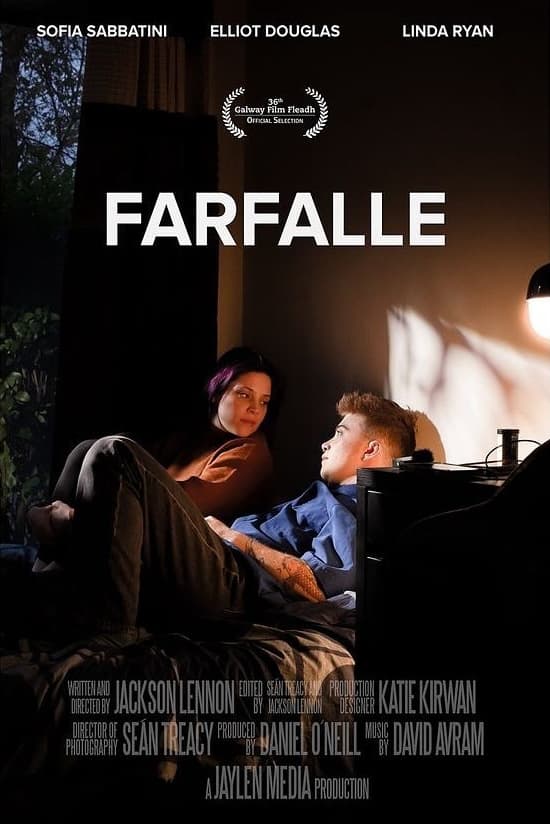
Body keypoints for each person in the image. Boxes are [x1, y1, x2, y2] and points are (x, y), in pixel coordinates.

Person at [27, 392, 416, 636]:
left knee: (115, 452)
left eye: (340, 433)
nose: (325, 443)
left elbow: (313, 589)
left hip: (234, 583)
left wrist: (232, 537)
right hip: (220, 557)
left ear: (370, 450)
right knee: (85, 451)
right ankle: (52, 570)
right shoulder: (325, 495)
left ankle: (109, 630)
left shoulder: (356, 511)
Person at [28, 346, 282, 569]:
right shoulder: (192, 436)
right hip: (142, 532)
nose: (255, 409)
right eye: (244, 394)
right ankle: (49, 539)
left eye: (264, 401)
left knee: (111, 453)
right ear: (217, 391)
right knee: (89, 449)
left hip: (188, 552)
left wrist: (76, 518)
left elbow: (180, 506)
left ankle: (57, 534)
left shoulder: (252, 451)